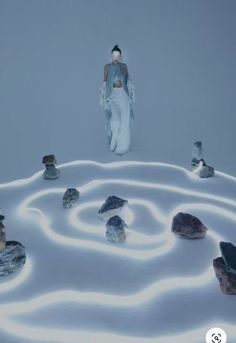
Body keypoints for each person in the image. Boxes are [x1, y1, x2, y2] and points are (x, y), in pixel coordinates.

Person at [99, 45, 135, 155]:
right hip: (112, 95)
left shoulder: (124, 66)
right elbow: (104, 83)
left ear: (120, 56)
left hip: (123, 94)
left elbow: (128, 81)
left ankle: (122, 147)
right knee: (116, 121)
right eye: (114, 55)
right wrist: (104, 97)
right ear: (111, 56)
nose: (116, 57)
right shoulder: (106, 67)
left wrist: (131, 93)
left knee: (124, 121)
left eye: (118, 56)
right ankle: (113, 141)